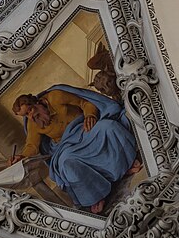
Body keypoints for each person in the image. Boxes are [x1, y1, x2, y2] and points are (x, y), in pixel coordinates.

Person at [8, 84, 141, 214]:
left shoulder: (56, 96)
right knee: (67, 162)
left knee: (108, 127)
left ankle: (126, 165)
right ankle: (96, 196)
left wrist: (90, 115)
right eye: (25, 115)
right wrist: (21, 156)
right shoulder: (33, 123)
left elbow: (85, 103)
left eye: (30, 110)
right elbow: (32, 145)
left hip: (84, 128)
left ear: (36, 102)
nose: (30, 117)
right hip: (65, 146)